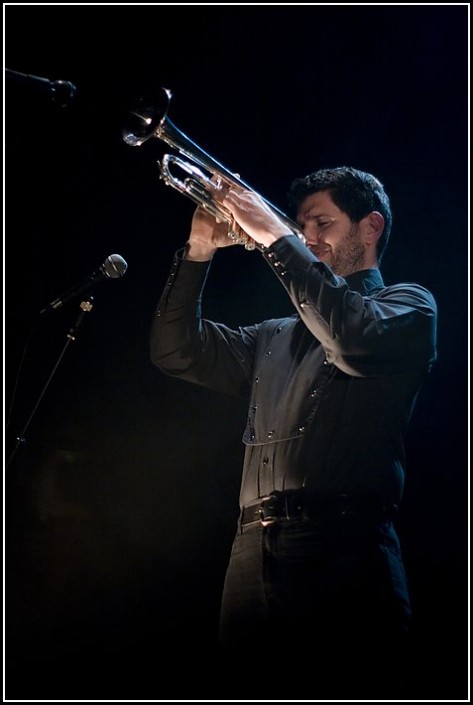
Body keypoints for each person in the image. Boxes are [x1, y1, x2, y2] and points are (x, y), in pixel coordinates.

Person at [149, 166, 437, 699]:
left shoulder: (407, 306)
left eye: (323, 224)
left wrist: (277, 237)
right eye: (301, 226)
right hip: (249, 557)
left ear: (370, 228)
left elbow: (351, 342)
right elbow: (175, 350)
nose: (309, 238)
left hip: (344, 554)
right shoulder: (274, 335)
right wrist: (197, 252)